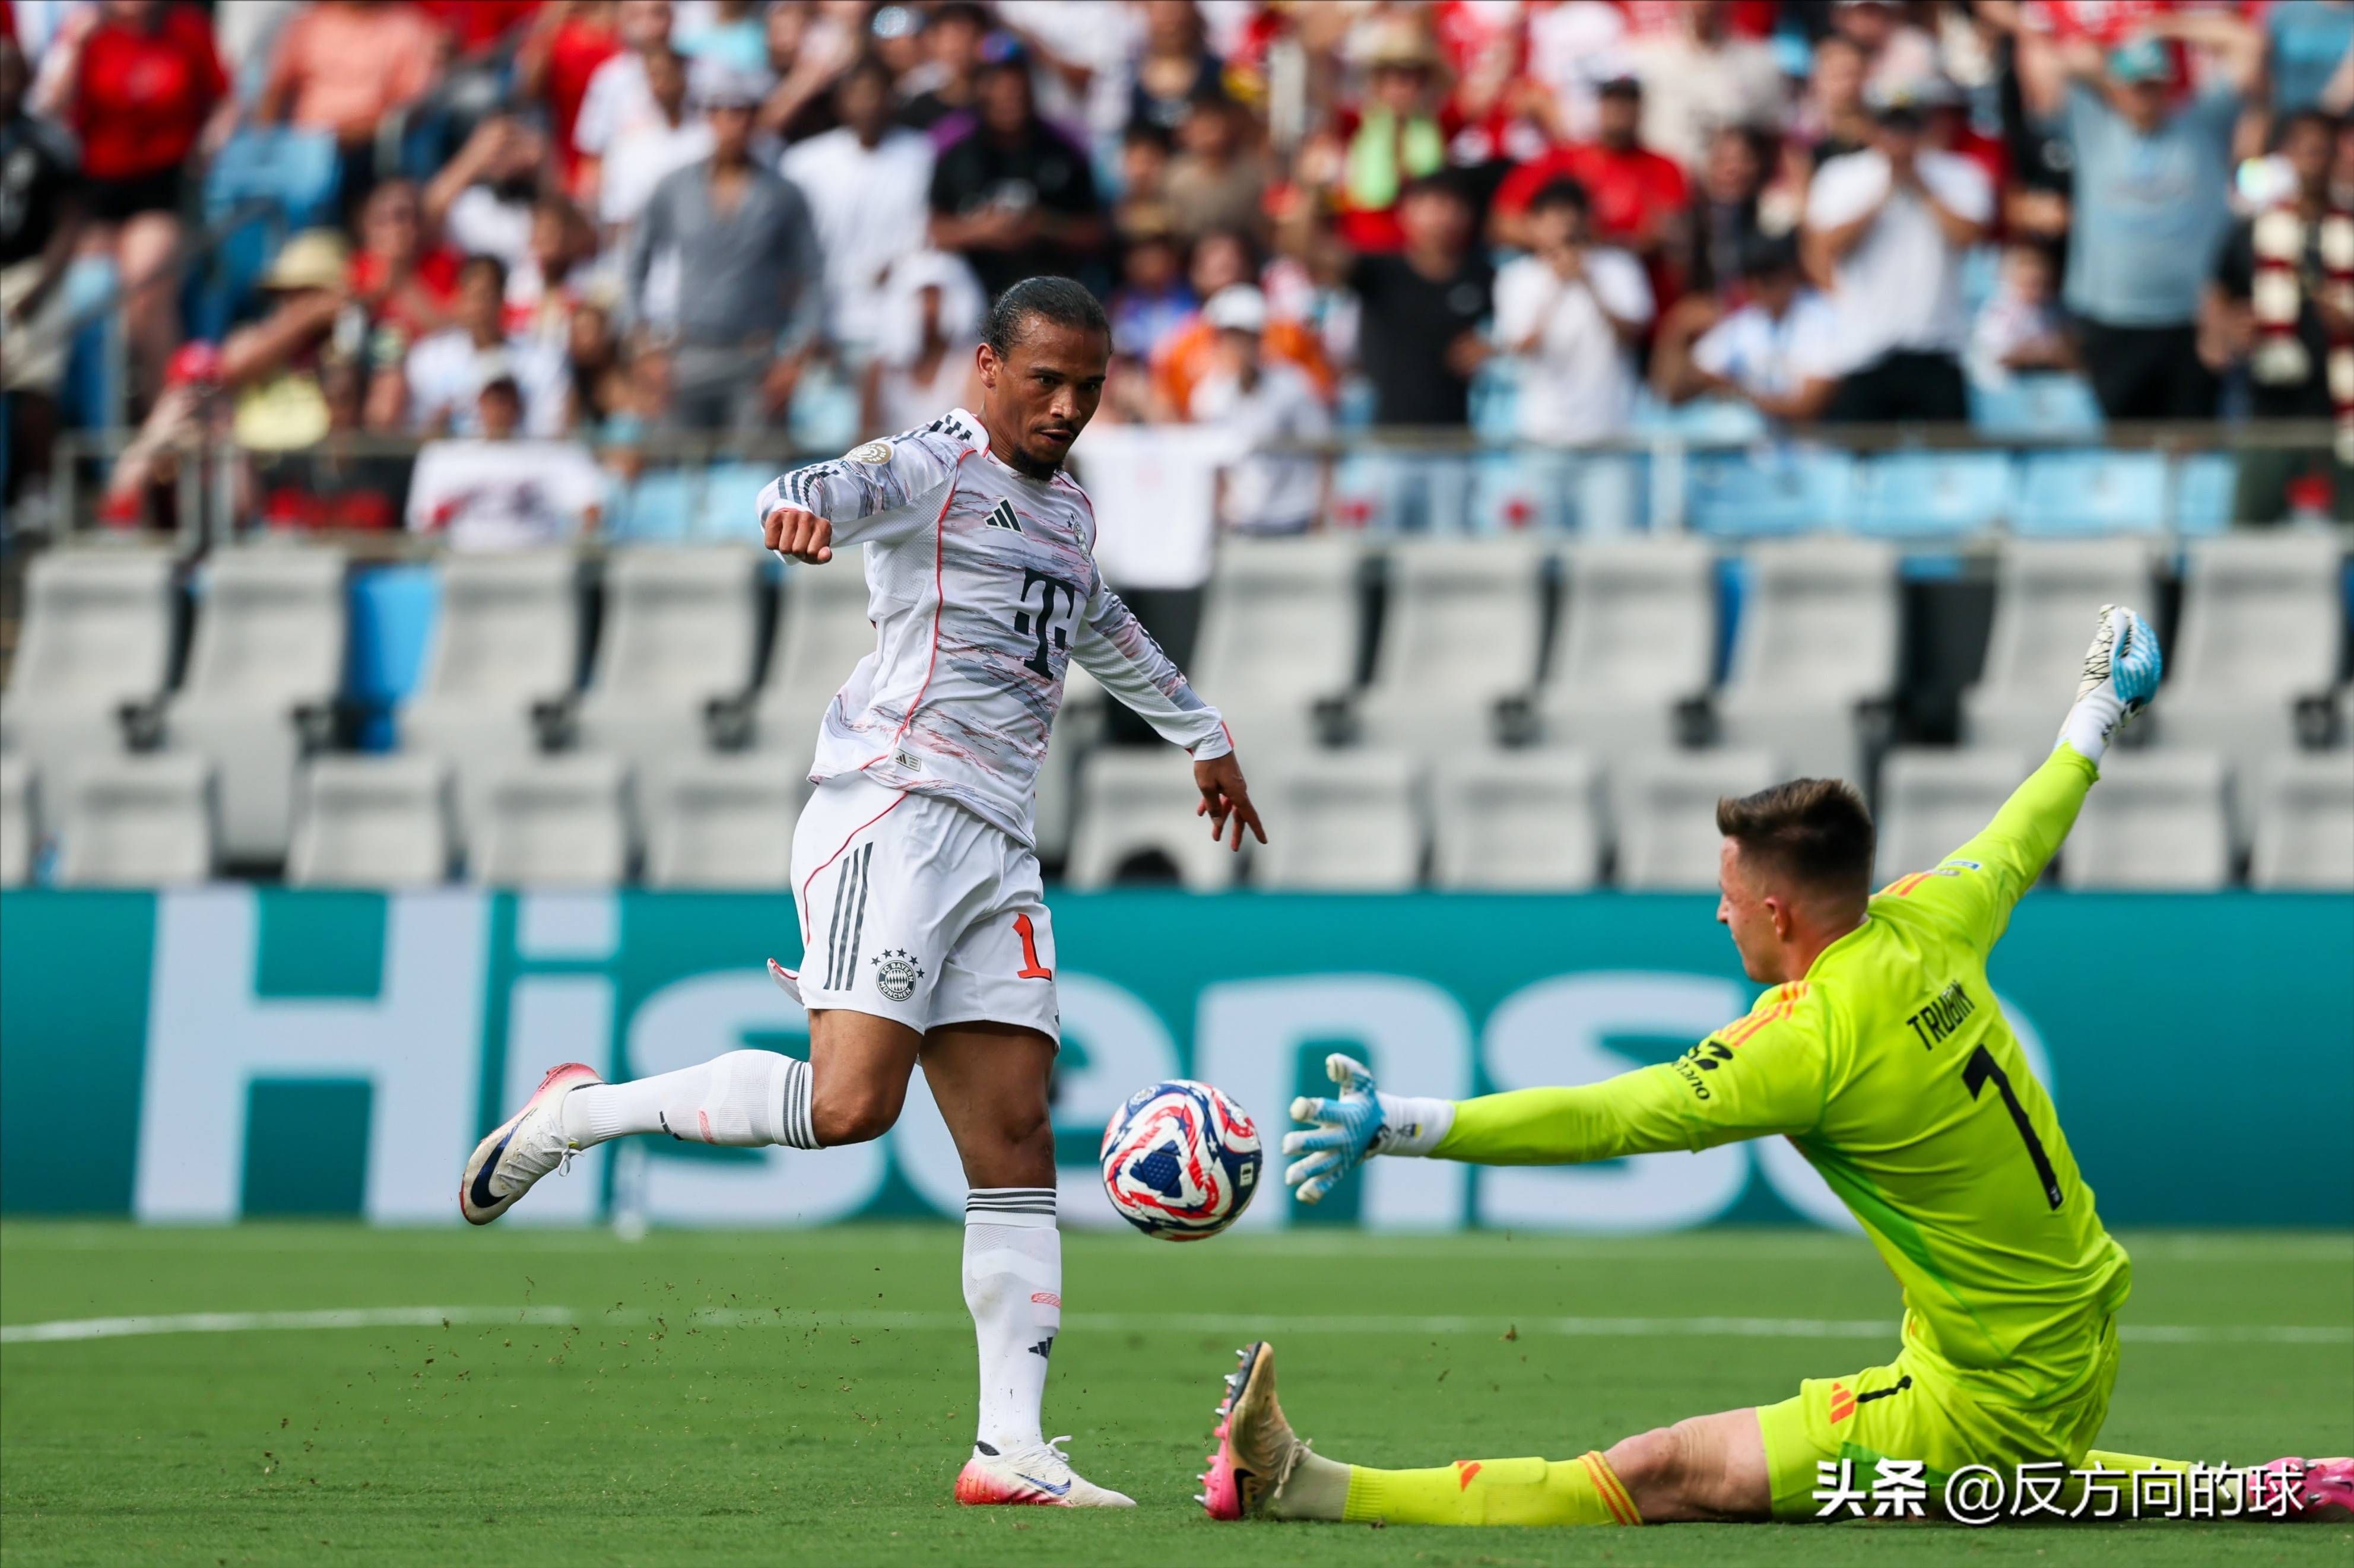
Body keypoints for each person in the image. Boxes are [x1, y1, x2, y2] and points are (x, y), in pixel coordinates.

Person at [1202, 607, 2354, 1529]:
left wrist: (1405, 1121)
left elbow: (1611, 1116)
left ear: (1775, 907)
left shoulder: (1810, 1042)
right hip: (2063, 1343)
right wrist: (2102, 704)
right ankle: (2274, 1483)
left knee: (1661, 1470)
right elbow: (2029, 824)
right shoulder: (1930, 917)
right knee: (2024, 1468)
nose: (1716, 914)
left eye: (1725, 893)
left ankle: (1304, 1486)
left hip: (1991, 1391)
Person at [459, 277, 1267, 1512]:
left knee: (1011, 1137)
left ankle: (1011, 1448)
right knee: (849, 1109)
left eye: (1089, 387)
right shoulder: (935, 459)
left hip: (996, 840)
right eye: (1044, 380)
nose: (1066, 407)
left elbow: (1093, 617)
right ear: (987, 367)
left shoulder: (1067, 511)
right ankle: (579, 1114)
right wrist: (794, 509)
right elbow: (821, 486)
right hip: (891, 809)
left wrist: (1200, 730)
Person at [2033, 18, 2263, 420]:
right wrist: (2117, 42)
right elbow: (2053, 62)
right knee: (2125, 453)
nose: (2144, 94)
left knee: (2193, 449)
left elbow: (2249, 45)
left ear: (2170, 85)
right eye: (2135, 83)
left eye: (2154, 83)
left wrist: (2165, 28)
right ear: (2116, 86)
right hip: (2111, 320)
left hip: (2191, 322)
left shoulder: (2203, 125)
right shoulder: (2091, 125)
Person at [624, 68, 823, 431]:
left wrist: (795, 356)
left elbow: (812, 274)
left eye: (742, 112)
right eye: (722, 113)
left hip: (757, 356)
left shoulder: (782, 193)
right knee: (671, 464)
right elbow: (636, 261)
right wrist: (643, 345)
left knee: (757, 472)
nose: (732, 124)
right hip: (686, 353)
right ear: (708, 119)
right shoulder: (675, 187)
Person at [1803, 85, 1991, 423]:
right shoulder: (1841, 176)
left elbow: (1968, 238)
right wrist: (1885, 192)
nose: (1900, 137)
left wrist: (1919, 185)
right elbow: (1827, 248)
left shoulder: (1959, 174)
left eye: (1909, 126)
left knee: (1950, 472)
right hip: (1864, 351)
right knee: (1862, 468)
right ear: (1872, 129)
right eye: (1891, 126)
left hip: (1939, 350)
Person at [2202, 111, 2353, 524]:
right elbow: (2216, 316)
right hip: (2271, 409)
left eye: (2323, 147)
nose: (2314, 158)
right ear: (2283, 155)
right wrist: (2232, 332)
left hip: (2343, 412)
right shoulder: (2250, 231)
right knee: (2252, 536)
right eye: (2304, 147)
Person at [781, 55, 935, 357]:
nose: (867, 103)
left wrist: (903, 264)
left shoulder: (922, 155)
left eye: (875, 93)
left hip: (894, 327)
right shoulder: (804, 163)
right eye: (857, 93)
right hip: (820, 326)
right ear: (840, 102)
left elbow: (932, 231)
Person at [927, 47, 1106, 301]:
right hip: (973, 292)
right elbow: (935, 231)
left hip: (1049, 291)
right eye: (999, 92)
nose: (1009, 100)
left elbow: (1095, 232)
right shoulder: (958, 153)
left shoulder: (1063, 150)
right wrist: (982, 230)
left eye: (1016, 91)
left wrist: (1043, 225)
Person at [1491, 180, 1653, 447]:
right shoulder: (1515, 277)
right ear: (1533, 224)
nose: (1562, 230)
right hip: (1542, 433)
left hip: (1611, 430)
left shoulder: (1620, 267)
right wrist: (1557, 286)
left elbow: (1634, 335)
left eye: (1569, 219)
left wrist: (1589, 285)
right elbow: (1522, 346)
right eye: (1552, 220)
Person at [406, 369, 607, 550]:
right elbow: (423, 522)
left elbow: (590, 509)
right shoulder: (445, 457)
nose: (499, 409)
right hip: (468, 562)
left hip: (535, 560)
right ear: (478, 404)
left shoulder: (550, 454)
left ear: (519, 405)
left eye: (506, 400)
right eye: (491, 400)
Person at [1189, 284, 1330, 536]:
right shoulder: (1207, 395)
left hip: (1295, 518)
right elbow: (1213, 467)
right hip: (1239, 523)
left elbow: (1324, 449)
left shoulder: (1293, 384)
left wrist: (1322, 513)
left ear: (1259, 338)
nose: (1238, 346)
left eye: (1246, 336)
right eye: (1230, 336)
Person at [1655, 234, 1840, 423]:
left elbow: (1806, 408)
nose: (1759, 288)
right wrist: (1676, 332)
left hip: (1814, 449)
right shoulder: (1746, 323)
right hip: (1758, 448)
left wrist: (1735, 392)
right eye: (1752, 279)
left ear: (1791, 274)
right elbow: (1674, 394)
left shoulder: (1821, 316)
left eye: (1768, 279)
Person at [398, 254, 569, 437]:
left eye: (487, 296)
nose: (479, 307)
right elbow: (415, 434)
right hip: (452, 462)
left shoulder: (541, 361)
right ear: (459, 298)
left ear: (503, 299)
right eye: (472, 296)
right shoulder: (428, 358)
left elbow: (550, 434)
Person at [1969, 239, 2077, 384]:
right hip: (2009, 388)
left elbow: (2071, 359)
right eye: (2026, 283)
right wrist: (2036, 352)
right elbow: (1994, 356)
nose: (2034, 291)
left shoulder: (2054, 313)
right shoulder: (1998, 313)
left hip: (2048, 385)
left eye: (2041, 283)